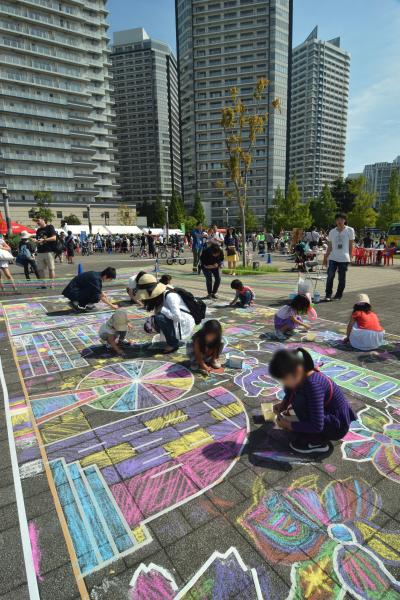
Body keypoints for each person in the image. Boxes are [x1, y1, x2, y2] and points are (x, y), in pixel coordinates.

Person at [269, 348, 356, 454]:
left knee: (299, 402)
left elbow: (317, 425)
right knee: (297, 402)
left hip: (336, 427)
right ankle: (305, 428)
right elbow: (291, 390)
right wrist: (283, 404)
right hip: (326, 415)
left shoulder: (313, 386)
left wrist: (289, 425)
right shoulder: (302, 376)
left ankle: (317, 441)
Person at [137, 275, 195, 353]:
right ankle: (171, 337)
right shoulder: (160, 295)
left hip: (184, 322)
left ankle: (173, 343)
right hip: (177, 320)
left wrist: (163, 310)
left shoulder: (170, 296)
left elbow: (177, 317)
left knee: (159, 318)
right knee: (152, 322)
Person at [324, 213, 355, 302]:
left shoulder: (350, 230)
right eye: (337, 219)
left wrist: (350, 256)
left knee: (341, 277)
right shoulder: (332, 232)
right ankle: (328, 294)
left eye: (341, 219)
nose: (339, 221)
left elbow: (350, 244)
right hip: (333, 257)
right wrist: (325, 258)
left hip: (344, 258)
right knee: (330, 276)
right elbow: (329, 246)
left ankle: (338, 294)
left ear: (345, 220)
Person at [34, 216, 57, 287]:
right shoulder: (38, 230)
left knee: (51, 268)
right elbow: (39, 240)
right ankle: (43, 285)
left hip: (49, 251)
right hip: (40, 251)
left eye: (38, 220)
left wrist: (44, 240)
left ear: (43, 220)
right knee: (40, 269)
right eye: (37, 221)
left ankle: (51, 284)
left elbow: (54, 238)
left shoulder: (50, 227)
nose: (37, 222)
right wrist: (36, 241)